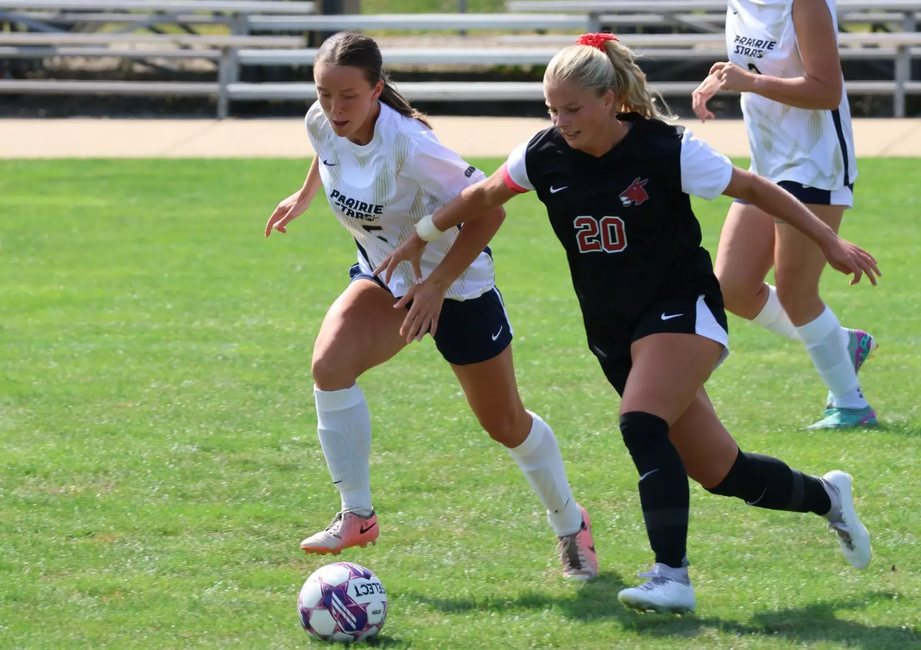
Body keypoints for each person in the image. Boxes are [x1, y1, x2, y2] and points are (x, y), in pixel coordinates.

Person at [374, 33, 878, 614]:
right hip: (614, 332)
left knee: (640, 422)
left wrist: (828, 239)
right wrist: (422, 235)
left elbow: (754, 186)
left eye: (572, 108)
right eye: (552, 109)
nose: (560, 121)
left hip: (682, 306)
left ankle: (671, 576)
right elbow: (484, 194)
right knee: (722, 471)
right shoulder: (543, 154)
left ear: (610, 99)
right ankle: (828, 497)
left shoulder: (666, 149)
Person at [263, 31, 597, 581]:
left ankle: (569, 523)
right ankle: (357, 515)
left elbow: (490, 211)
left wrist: (438, 284)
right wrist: (304, 195)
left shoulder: (412, 145)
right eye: (324, 94)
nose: (334, 108)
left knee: (504, 423)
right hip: (385, 277)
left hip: (458, 288)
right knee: (329, 365)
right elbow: (330, 148)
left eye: (348, 96)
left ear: (377, 89)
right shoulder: (321, 120)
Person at [691, 0, 877, 429]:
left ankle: (850, 405)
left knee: (796, 290)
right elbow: (755, 65)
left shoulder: (805, 3)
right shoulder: (738, 3)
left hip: (815, 161)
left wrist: (750, 82)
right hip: (768, 162)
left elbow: (826, 91)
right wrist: (723, 77)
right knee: (733, 287)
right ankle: (842, 343)